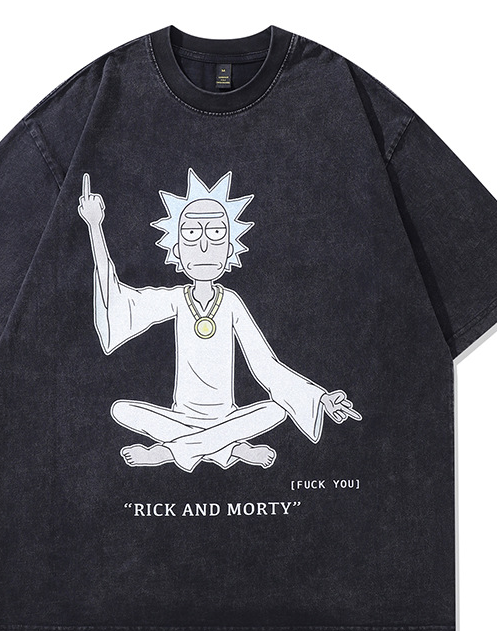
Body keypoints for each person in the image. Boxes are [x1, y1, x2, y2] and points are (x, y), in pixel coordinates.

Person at [79, 169, 361, 472]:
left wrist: (320, 399)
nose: (203, 247)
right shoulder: (176, 299)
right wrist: (95, 226)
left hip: (227, 417)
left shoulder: (231, 303)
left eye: (215, 233)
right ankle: (231, 447)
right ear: (177, 250)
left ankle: (169, 451)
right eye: (191, 234)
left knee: (277, 410)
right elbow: (117, 301)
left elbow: (265, 365)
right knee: (121, 410)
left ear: (228, 249)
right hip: (182, 418)